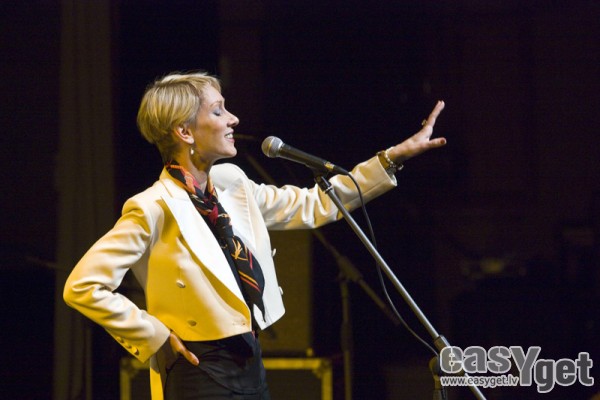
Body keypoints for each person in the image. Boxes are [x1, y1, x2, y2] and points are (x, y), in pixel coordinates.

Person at [63, 71, 446, 400]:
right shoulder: (152, 206)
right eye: (218, 111)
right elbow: (83, 285)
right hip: (198, 368)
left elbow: (316, 204)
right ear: (184, 131)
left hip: (250, 358)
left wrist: (392, 157)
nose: (233, 119)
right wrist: (154, 336)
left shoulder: (231, 184)